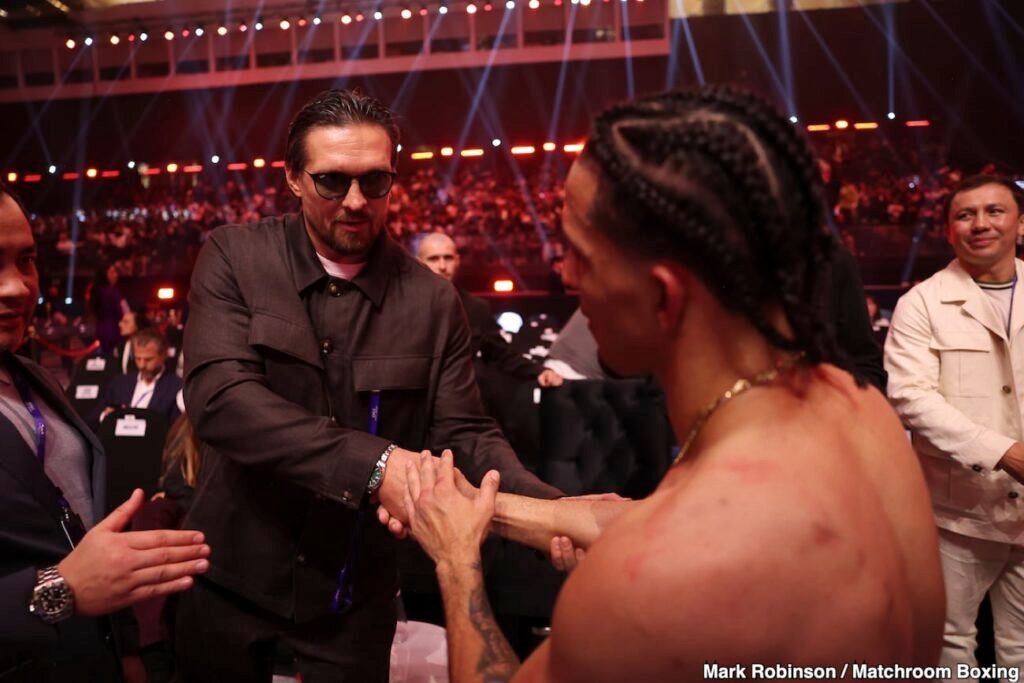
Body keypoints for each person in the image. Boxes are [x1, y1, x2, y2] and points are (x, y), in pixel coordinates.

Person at [400, 87, 945, 682]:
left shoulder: (654, 575)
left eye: (579, 254)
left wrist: (456, 562)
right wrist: (485, 508)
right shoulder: (856, 408)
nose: (566, 275)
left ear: (663, 296)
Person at [177, 88, 561, 681]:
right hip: (230, 582)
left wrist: (551, 511)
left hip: (351, 598)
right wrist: (378, 467)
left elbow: (464, 432)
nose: (355, 202)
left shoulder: (433, 300)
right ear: (293, 178)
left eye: (375, 181)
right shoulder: (235, 256)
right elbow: (222, 401)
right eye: (332, 182)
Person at [0, 182, 210, 679]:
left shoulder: (36, 379)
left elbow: (88, 539)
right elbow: (75, 577)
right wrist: (58, 590)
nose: (17, 287)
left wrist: (127, 649)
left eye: (26, 260)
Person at [885, 174, 1024, 681]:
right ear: (949, 231)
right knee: (950, 641)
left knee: (1022, 645)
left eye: (994, 211)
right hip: (958, 511)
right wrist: (1003, 452)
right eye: (965, 215)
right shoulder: (922, 302)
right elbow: (911, 397)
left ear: (1021, 224)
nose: (980, 224)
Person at [415, 232, 563, 387]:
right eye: (434, 259)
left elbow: (502, 354)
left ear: (458, 260)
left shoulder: (476, 308)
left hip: (459, 396)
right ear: (419, 263)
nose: (442, 266)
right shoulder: (404, 306)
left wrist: (539, 371)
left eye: (448, 258)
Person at [89, 327, 182, 430]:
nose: (142, 365)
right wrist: (106, 416)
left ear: (164, 355)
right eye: (138, 358)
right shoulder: (120, 383)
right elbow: (92, 420)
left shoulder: (176, 388)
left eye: (148, 359)